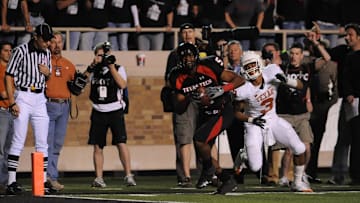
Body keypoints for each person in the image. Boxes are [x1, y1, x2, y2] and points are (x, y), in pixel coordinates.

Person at [168, 42, 246, 194]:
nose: (187, 59)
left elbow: (239, 79)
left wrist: (222, 89)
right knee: (203, 149)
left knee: (199, 139)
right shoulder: (177, 76)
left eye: (190, 55)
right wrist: (189, 97)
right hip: (206, 113)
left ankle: (209, 171)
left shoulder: (209, 65)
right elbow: (179, 108)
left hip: (223, 110)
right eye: (183, 57)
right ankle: (225, 179)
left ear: (196, 56)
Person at [233, 51, 313, 192]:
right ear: (243, 69)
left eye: (253, 64)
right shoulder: (243, 89)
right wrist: (251, 119)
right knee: (255, 166)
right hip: (254, 124)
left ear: (260, 63)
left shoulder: (272, 71)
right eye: (248, 66)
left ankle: (297, 182)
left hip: (273, 119)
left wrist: (287, 80)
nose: (252, 68)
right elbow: (236, 113)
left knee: (299, 148)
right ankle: (243, 155)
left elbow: (301, 86)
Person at [4, 23, 55, 195]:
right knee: (18, 139)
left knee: (42, 142)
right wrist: (12, 102)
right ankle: (11, 181)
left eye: (49, 40)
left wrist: (48, 73)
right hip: (24, 95)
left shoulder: (47, 53)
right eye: (45, 40)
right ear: (36, 37)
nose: (48, 43)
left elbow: (47, 78)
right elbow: (8, 76)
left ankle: (41, 182)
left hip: (40, 97)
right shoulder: (19, 51)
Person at [84, 41, 136, 188]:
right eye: (100, 55)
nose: (103, 58)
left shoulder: (119, 68)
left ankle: (128, 175)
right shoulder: (94, 70)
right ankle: (99, 177)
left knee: (121, 142)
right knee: (98, 146)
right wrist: (91, 66)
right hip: (98, 110)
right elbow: (81, 82)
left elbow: (122, 84)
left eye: (105, 55)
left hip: (115, 110)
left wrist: (111, 66)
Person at [164, 23, 200, 187]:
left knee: (205, 137)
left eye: (190, 31)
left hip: (202, 97)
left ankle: (207, 173)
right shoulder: (174, 54)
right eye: (184, 32)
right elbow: (169, 79)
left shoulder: (205, 49)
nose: (187, 34)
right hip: (183, 98)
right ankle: (184, 175)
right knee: (183, 137)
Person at [304, 24, 338, 183]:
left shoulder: (330, 65)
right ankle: (302, 172)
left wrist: (330, 103)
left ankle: (312, 172)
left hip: (322, 103)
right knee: (305, 140)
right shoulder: (308, 63)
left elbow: (334, 87)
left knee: (316, 140)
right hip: (308, 104)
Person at [328, 23, 360, 185]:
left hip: (353, 100)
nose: (347, 37)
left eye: (351, 35)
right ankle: (341, 174)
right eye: (346, 35)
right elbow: (328, 56)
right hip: (352, 102)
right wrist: (348, 93)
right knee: (346, 138)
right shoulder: (346, 54)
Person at [45, 31, 76, 191]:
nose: (57, 45)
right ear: (48, 43)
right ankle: (48, 177)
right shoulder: (43, 61)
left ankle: (51, 176)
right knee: (47, 144)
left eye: (59, 42)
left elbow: (76, 87)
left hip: (64, 105)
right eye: (54, 41)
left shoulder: (69, 64)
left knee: (57, 144)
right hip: (48, 104)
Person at [0, 41, 13, 193]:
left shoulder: (12, 70)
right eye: (5, 50)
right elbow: (3, 93)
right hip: (2, 110)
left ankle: (8, 181)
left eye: (10, 50)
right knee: (1, 149)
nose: (9, 53)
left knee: (10, 149)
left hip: (13, 112)